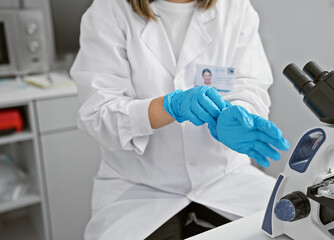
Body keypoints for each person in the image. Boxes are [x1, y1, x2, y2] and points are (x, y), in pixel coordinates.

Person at [70, 0, 290, 239]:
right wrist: (167, 108)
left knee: (295, 228)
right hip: (138, 188)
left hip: (226, 178)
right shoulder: (110, 10)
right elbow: (99, 114)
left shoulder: (234, 8)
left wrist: (242, 115)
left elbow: (250, 86)